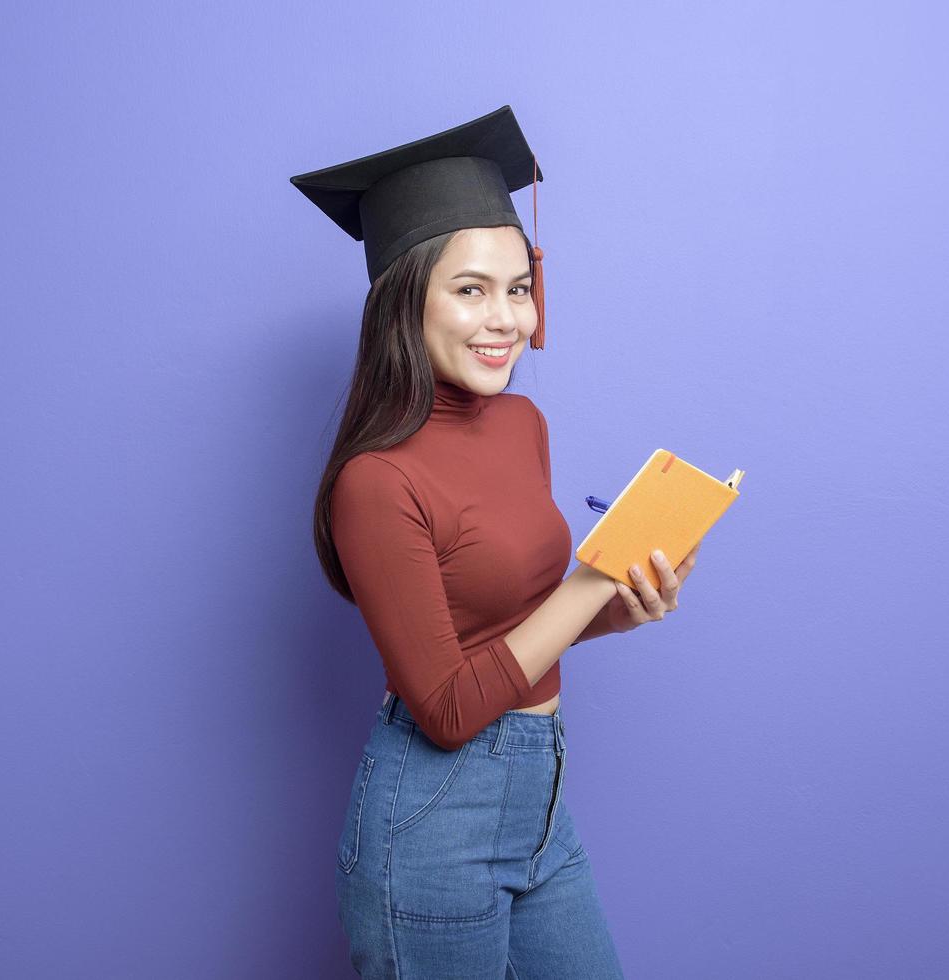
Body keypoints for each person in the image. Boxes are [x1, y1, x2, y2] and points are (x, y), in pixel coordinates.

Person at [293, 105, 700, 979]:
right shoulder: (377, 481)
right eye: (470, 288)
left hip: (541, 802)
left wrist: (621, 602)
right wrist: (588, 585)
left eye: (517, 288)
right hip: (436, 821)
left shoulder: (523, 424)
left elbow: (513, 623)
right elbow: (445, 705)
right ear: (407, 297)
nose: (504, 318)